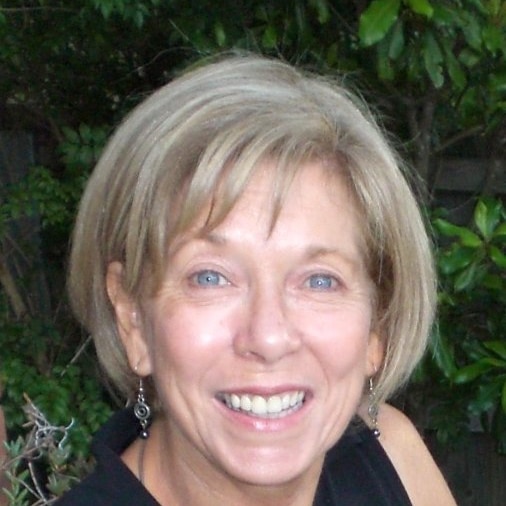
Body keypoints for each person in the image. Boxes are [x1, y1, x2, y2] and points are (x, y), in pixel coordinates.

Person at [56, 54, 456, 506]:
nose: (267, 337)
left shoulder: (391, 460)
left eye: (320, 281)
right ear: (132, 318)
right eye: (210, 277)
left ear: (376, 328)